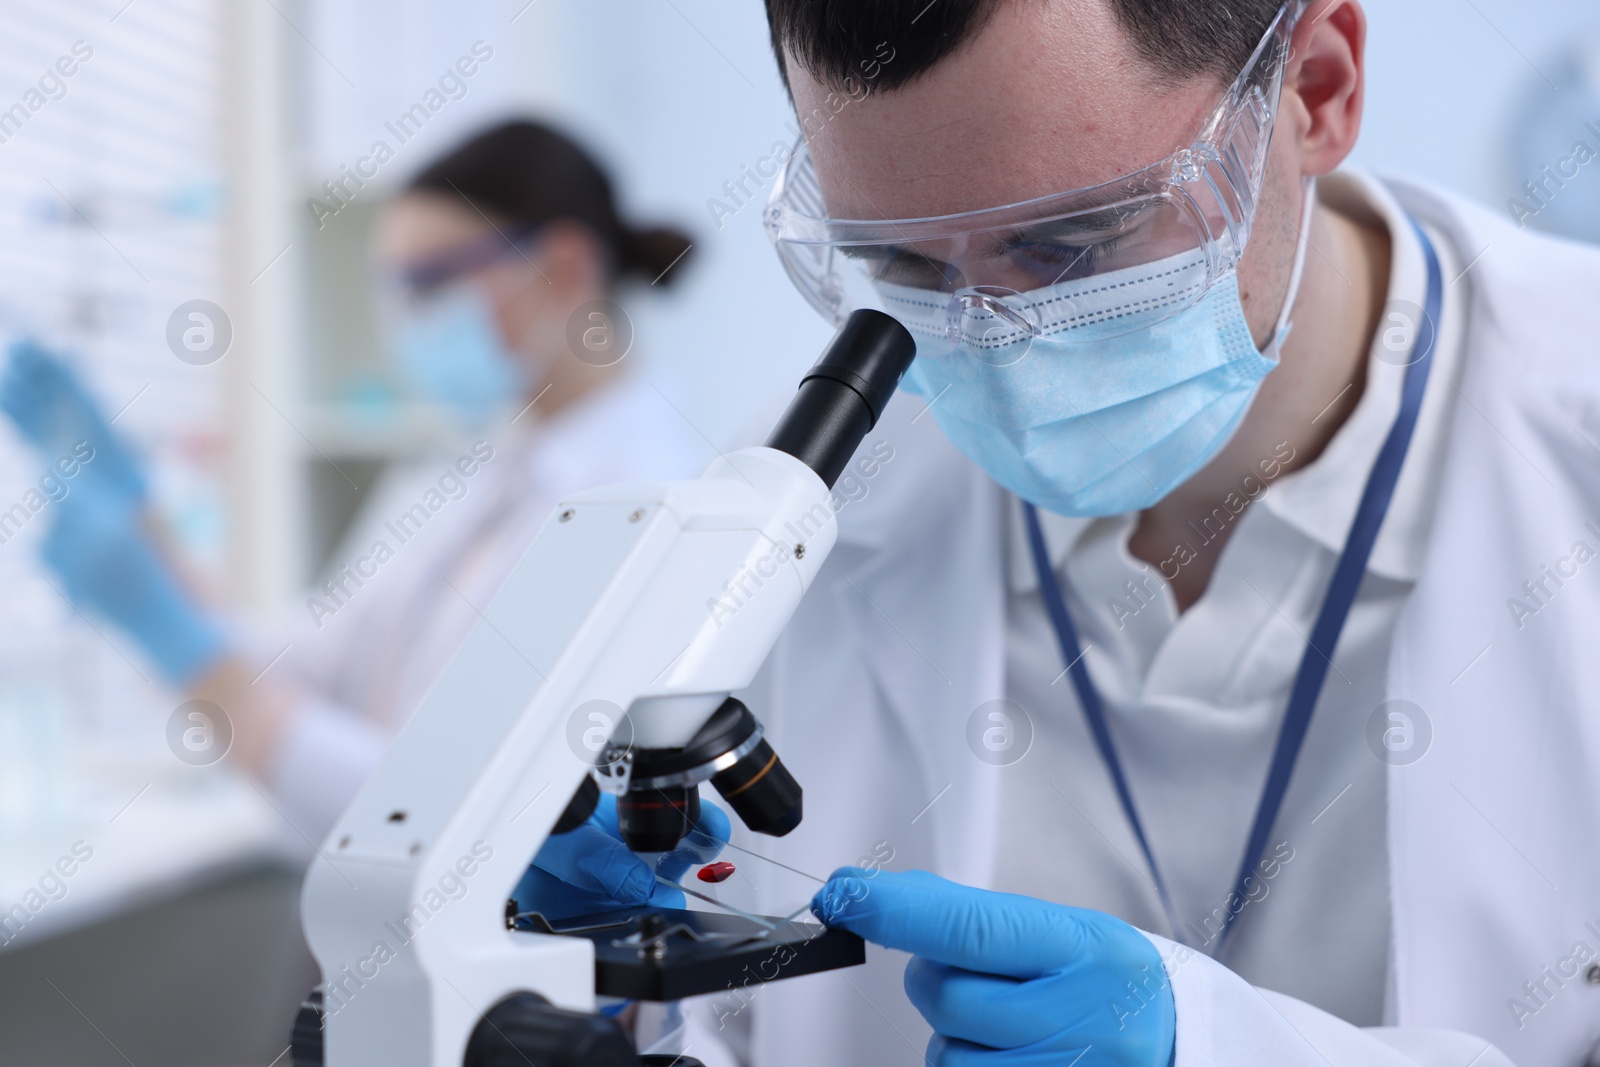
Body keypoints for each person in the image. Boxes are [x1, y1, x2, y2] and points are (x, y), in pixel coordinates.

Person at [517, 2, 1600, 1064]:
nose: (990, 342)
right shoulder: (804, 515)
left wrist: (1222, 1047)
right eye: (906, 266)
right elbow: (730, 1030)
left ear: (1316, 88)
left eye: (1070, 244)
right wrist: (603, 998)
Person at [0, 119, 706, 840]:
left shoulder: (641, 505)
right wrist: (142, 522)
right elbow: (302, 666)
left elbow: (448, 818)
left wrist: (177, 641)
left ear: (564, 268)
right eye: (396, 292)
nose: (409, 323)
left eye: (433, 283)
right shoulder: (468, 474)